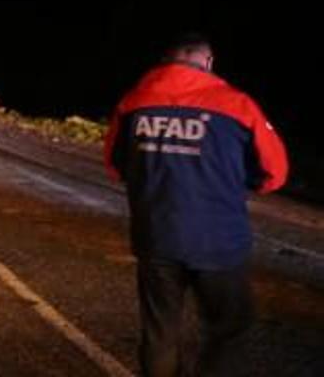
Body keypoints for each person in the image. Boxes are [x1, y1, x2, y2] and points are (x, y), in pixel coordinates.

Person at [103, 34, 289, 377]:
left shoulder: (133, 103)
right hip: (219, 242)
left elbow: (115, 166)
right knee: (231, 326)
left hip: (156, 235)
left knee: (160, 330)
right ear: (208, 62)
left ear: (166, 61)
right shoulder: (238, 105)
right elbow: (274, 173)